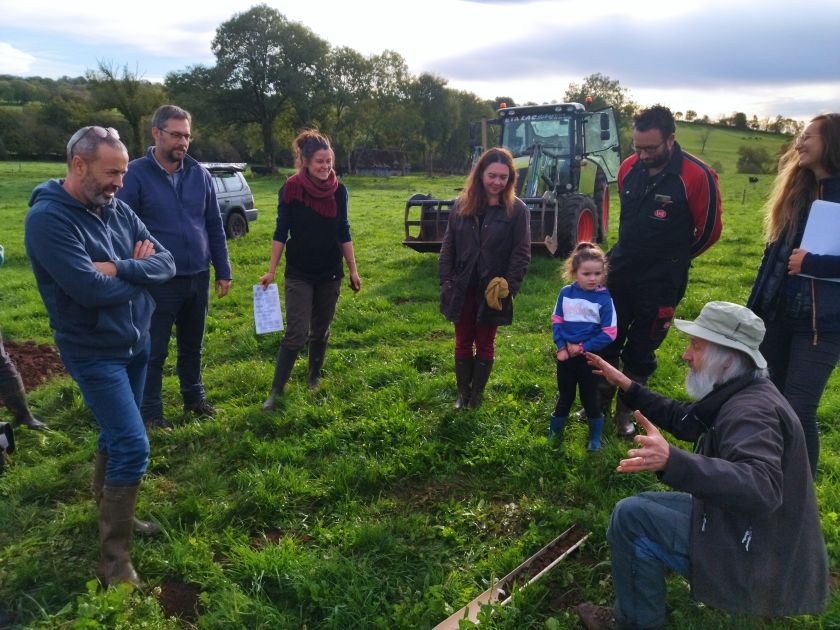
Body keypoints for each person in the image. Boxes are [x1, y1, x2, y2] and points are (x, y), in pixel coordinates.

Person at [575, 301, 828, 630]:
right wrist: (628, 386)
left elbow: (762, 488)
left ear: (727, 359)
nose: (686, 355)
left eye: (697, 345)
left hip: (759, 555)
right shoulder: (741, 388)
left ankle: (634, 623)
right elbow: (687, 420)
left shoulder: (751, 411)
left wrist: (673, 459)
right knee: (640, 505)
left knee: (631, 518)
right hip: (760, 535)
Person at [25, 125, 176, 586]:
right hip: (94, 352)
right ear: (78, 165)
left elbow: (166, 262)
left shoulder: (117, 208)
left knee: (115, 436)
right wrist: (138, 272)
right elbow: (88, 290)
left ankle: (115, 516)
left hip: (135, 343)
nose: (119, 183)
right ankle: (114, 560)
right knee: (133, 444)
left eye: (124, 172)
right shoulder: (49, 220)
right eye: (112, 172)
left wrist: (121, 268)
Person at [596, 105, 722, 439]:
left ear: (671, 139)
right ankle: (598, 405)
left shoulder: (697, 175)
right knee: (606, 337)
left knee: (641, 347)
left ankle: (626, 413)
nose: (643, 155)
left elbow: (710, 230)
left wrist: (675, 259)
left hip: (662, 280)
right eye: (638, 147)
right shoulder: (628, 168)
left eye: (651, 148)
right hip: (620, 270)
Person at [117, 105, 232, 432]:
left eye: (187, 135)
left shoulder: (200, 175)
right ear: (157, 134)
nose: (183, 142)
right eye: (176, 135)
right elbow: (122, 227)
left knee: (192, 345)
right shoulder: (135, 175)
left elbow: (214, 225)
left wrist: (222, 270)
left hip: (197, 275)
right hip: (157, 281)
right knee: (153, 349)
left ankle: (194, 398)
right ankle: (150, 412)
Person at [747, 113, 840, 478]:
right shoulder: (796, 191)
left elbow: (806, 261)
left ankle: (800, 492)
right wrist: (753, 313)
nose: (798, 144)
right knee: (767, 402)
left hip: (823, 324)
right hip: (778, 315)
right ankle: (768, 476)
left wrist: (814, 263)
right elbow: (773, 259)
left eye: (807, 137)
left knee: (799, 408)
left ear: (831, 143)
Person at [259, 130, 361, 409]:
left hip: (330, 271)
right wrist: (271, 270)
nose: (325, 167)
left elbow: (344, 231)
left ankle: (314, 377)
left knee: (321, 329)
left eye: (329, 161)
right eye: (319, 161)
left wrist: (353, 270)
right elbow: (281, 231)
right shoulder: (291, 188)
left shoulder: (339, 191)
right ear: (305, 161)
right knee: (297, 331)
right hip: (299, 272)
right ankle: (276, 391)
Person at [439, 147, 531, 409]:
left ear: (510, 179)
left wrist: (509, 288)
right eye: (492, 175)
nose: (497, 182)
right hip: (463, 287)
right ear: (480, 175)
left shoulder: (517, 211)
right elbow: (449, 247)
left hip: (492, 291)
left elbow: (521, 253)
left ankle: (476, 396)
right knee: (462, 340)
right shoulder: (461, 206)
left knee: (486, 342)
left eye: (503, 177)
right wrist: (446, 282)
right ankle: (462, 394)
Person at [548, 242, 616, 451]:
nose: (592, 278)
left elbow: (610, 332)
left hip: (589, 358)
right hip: (566, 357)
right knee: (565, 397)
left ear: (603, 273)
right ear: (574, 271)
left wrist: (584, 346)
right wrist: (561, 347)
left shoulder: (604, 299)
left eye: (597, 273)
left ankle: (595, 438)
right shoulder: (566, 293)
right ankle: (554, 433)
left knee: (590, 399)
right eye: (586, 274)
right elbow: (557, 320)